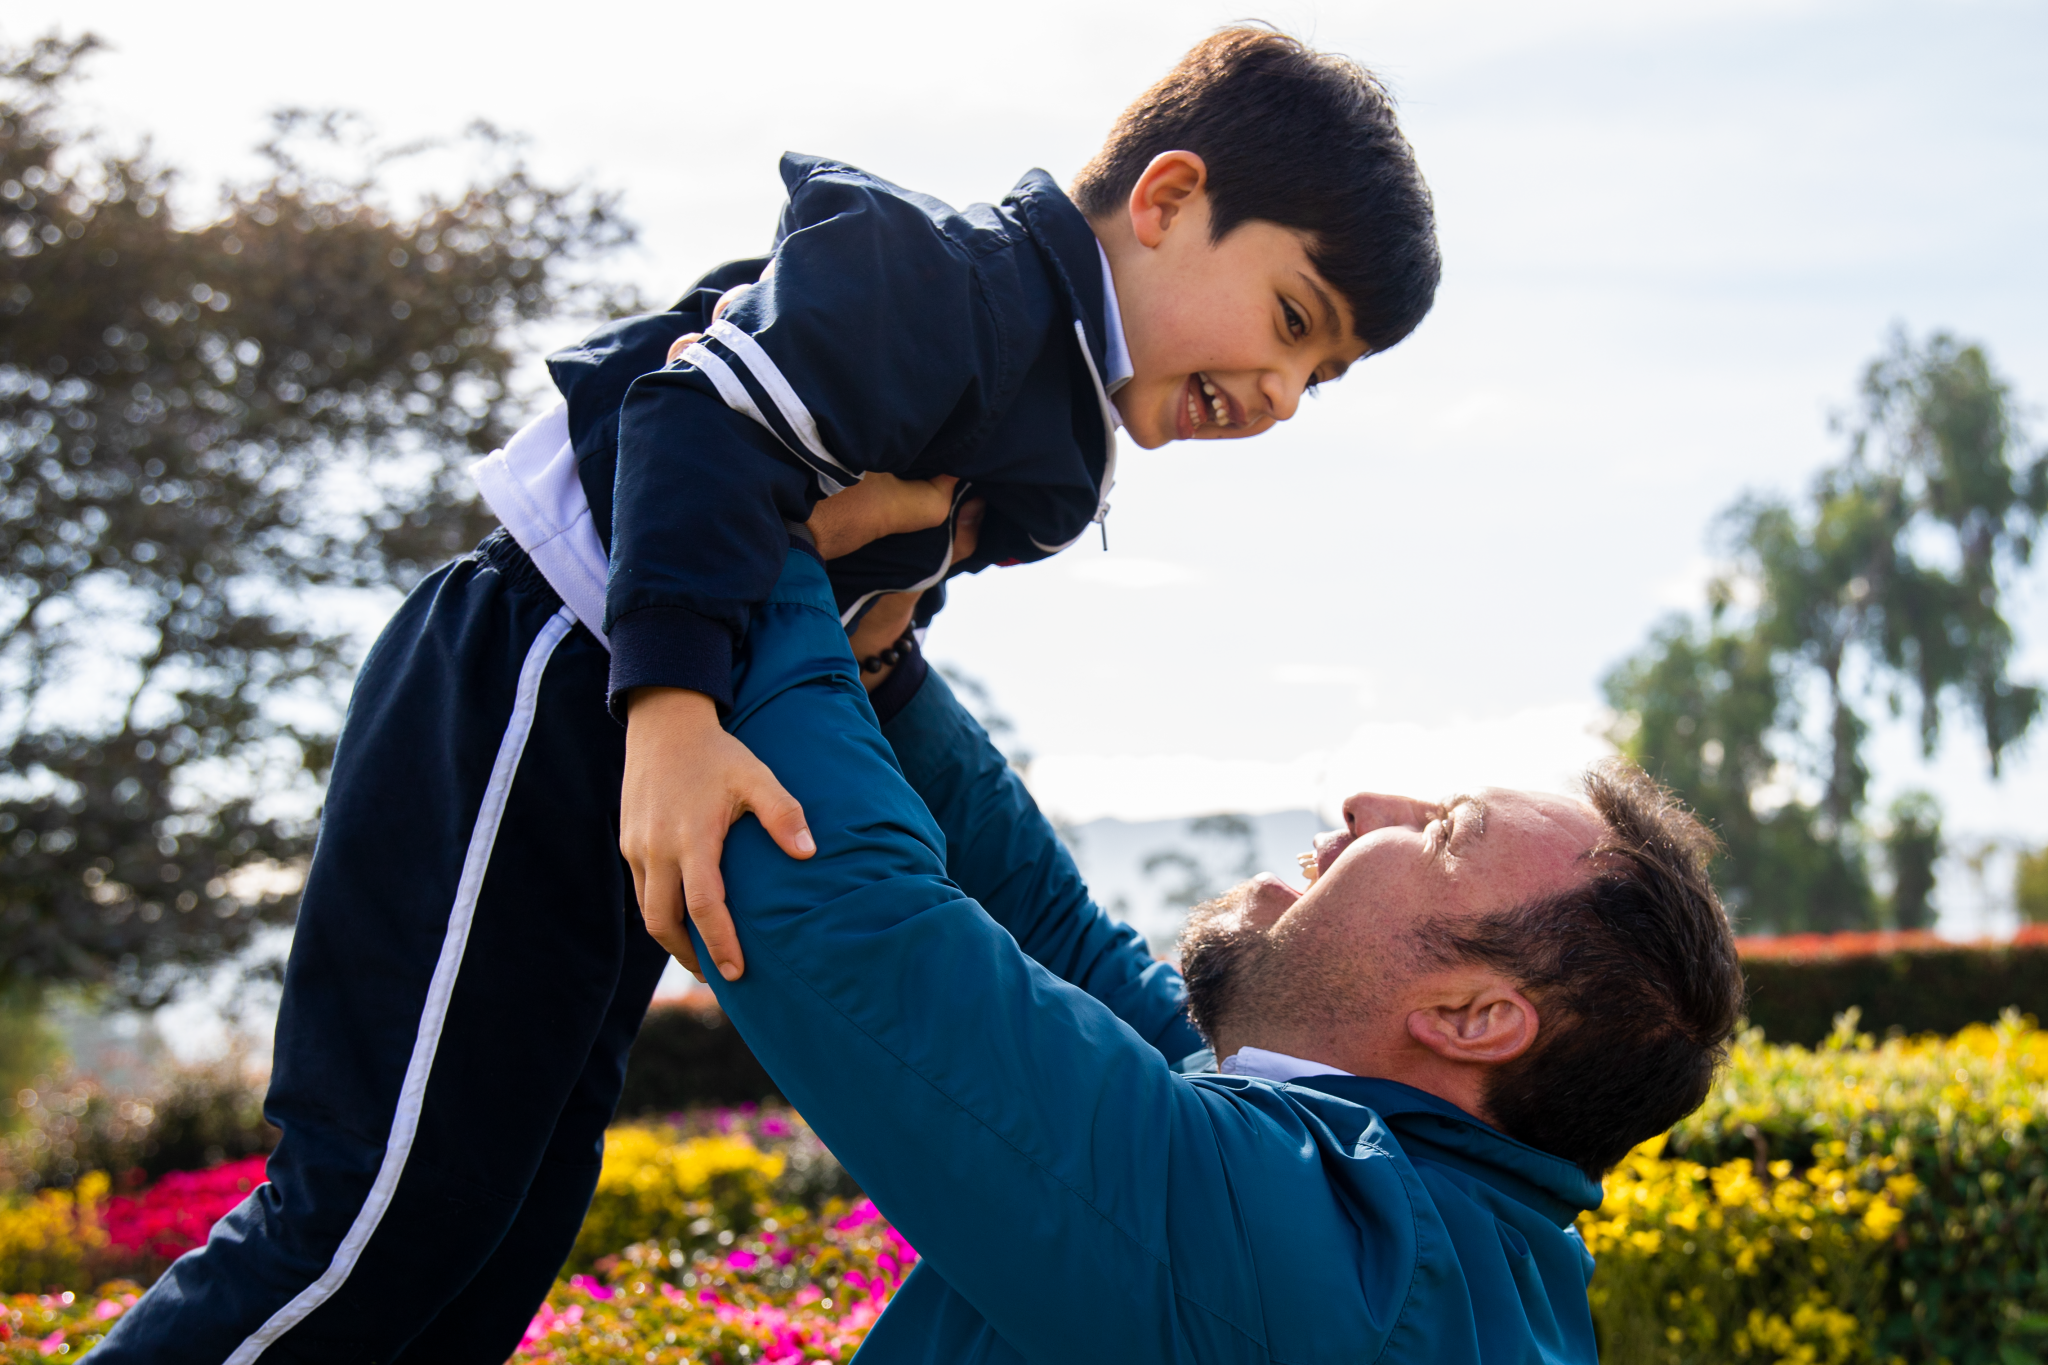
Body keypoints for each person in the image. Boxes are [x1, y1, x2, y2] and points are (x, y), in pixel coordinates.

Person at [91, 27, 1439, 1363]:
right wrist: (672, 716)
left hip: (632, 751)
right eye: (1292, 320)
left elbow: (864, 603)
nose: (1281, 396)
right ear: (1167, 199)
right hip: (545, 676)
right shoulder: (950, 281)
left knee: (505, 1211)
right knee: (379, 1207)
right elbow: (692, 419)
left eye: (1319, 378)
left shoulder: (1056, 416)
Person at [694, 544, 1747, 1363]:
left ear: (1471, 1017)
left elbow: (860, 937)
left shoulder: (1339, 1271)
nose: (1366, 803)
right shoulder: (1398, 1187)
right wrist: (879, 664)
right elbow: (1060, 945)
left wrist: (758, 524)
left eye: (1442, 833)